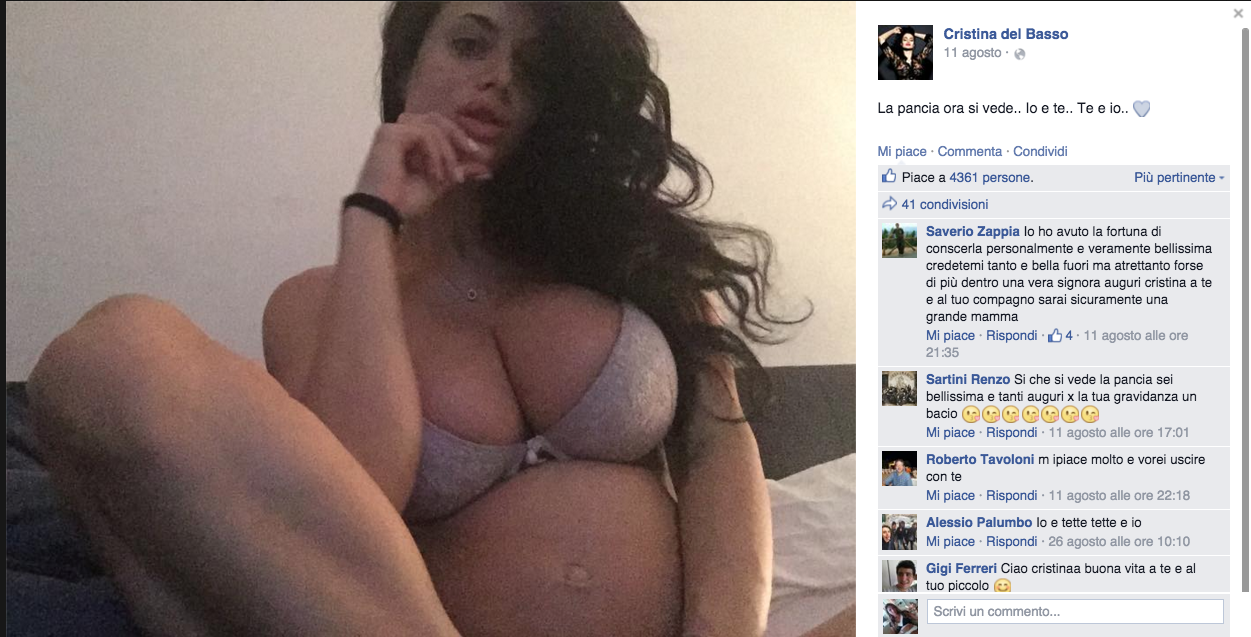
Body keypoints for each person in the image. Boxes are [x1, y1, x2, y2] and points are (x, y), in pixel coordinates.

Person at [23, 3, 807, 635]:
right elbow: (354, 491)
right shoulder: (317, 301)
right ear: (406, 66)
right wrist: (372, 217)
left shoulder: (640, 257)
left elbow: (717, 446)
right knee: (107, 350)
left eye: (537, 67)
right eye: (469, 44)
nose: (499, 77)